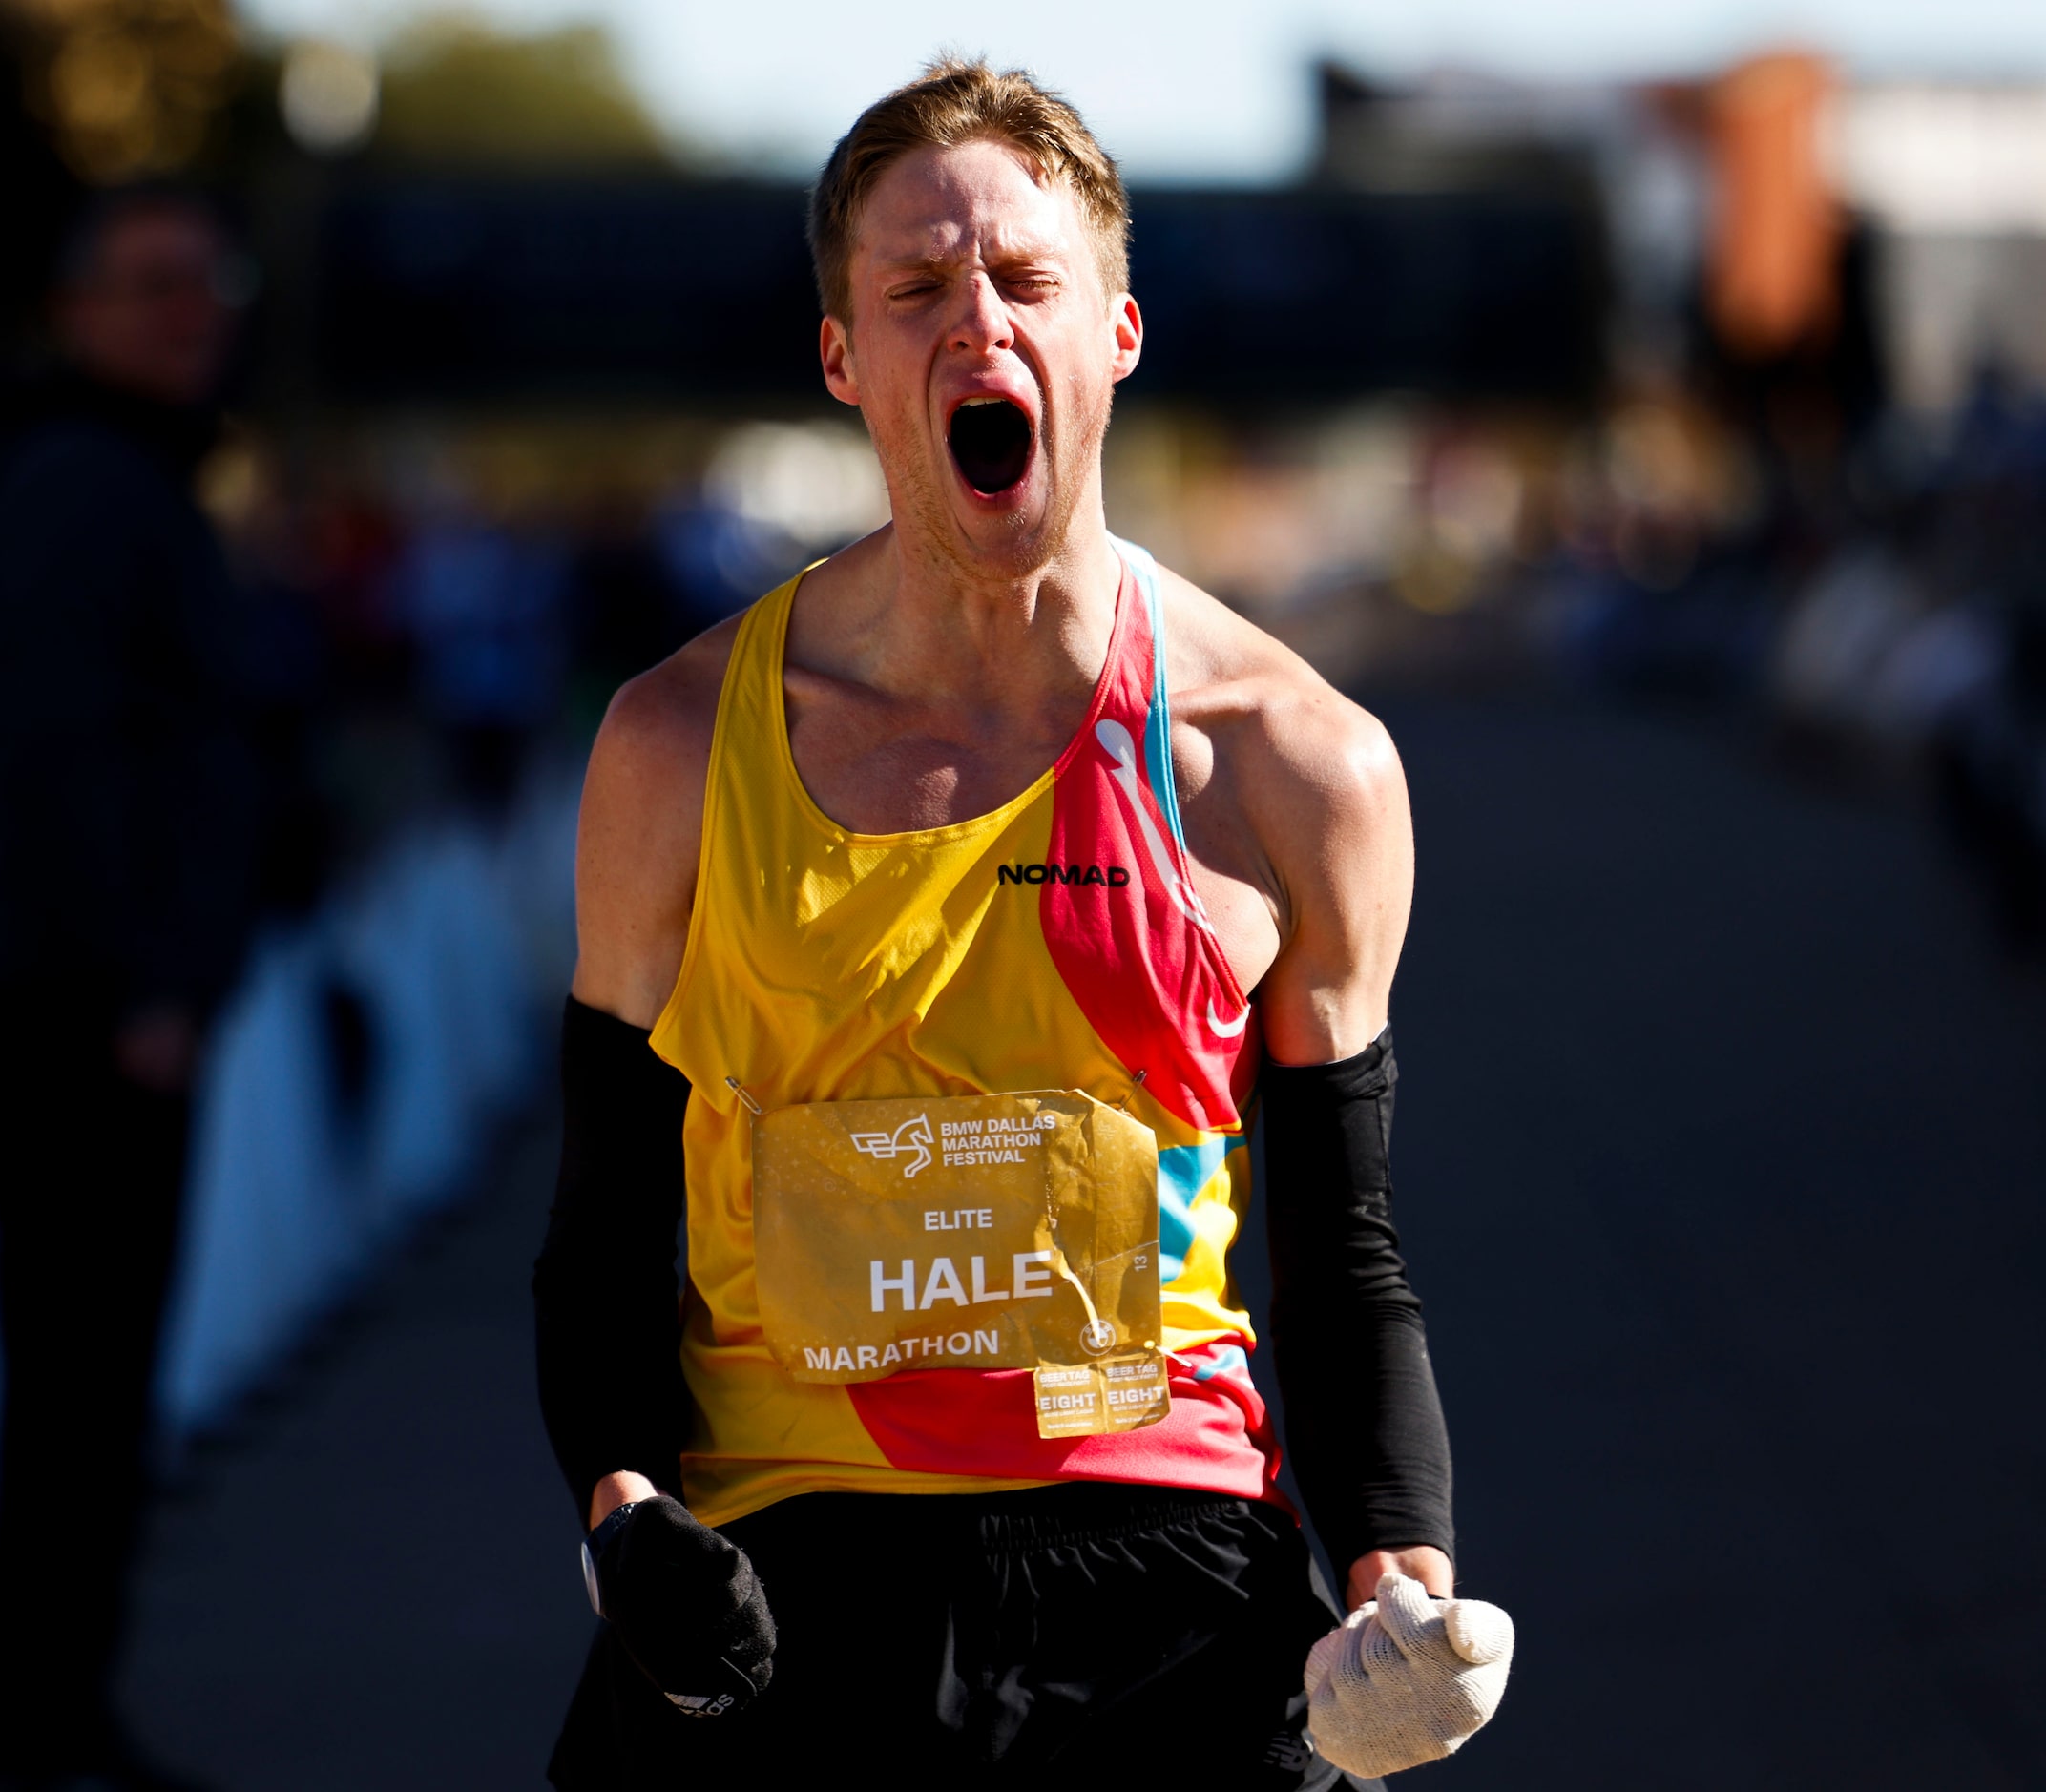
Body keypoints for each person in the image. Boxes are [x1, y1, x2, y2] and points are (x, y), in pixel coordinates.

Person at [534, 60, 1506, 1790]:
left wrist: (1400, 1589)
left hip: (1158, 1577)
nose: (974, 320)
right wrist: (624, 1513)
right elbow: (606, 1221)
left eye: (1025, 282)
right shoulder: (677, 745)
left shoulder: (1296, 764)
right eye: (914, 290)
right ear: (844, 361)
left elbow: (1347, 1256)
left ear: (1116, 334)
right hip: (784, 1566)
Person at [0, 188, 257, 1792]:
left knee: (90, 1386)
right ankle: (36, 1721)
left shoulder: (125, 475)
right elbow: (54, 757)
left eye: (207, 280)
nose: (190, 310)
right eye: (150, 284)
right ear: (74, 310)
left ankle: (51, 1707)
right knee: (76, 1388)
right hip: (89, 1017)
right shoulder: (89, 484)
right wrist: (143, 982)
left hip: (109, 1002)